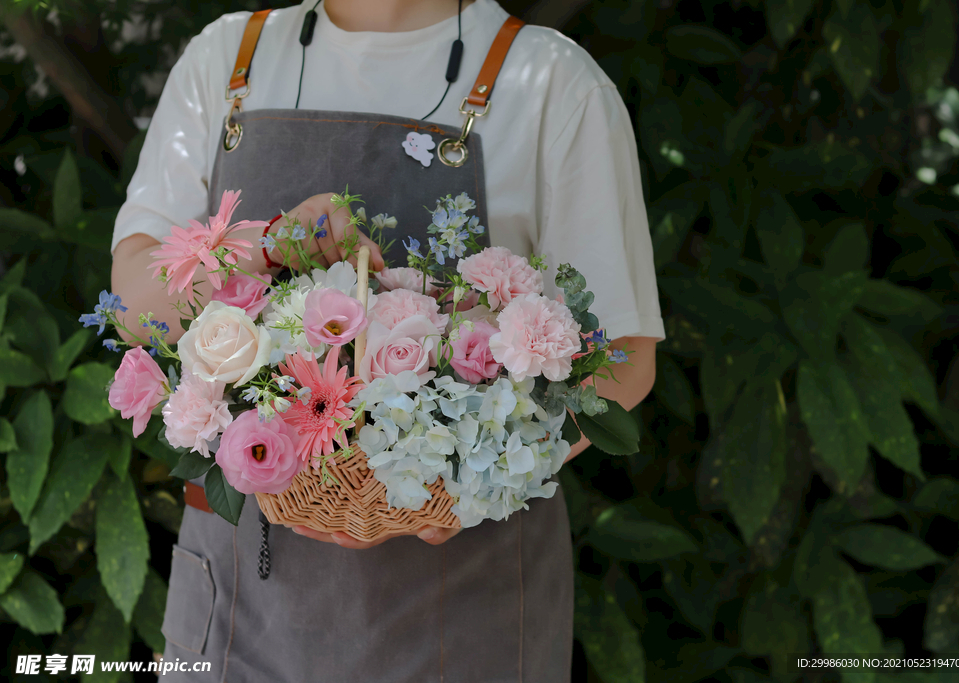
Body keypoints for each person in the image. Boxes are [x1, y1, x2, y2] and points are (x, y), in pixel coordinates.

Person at [109, 0, 664, 680]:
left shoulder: (551, 82)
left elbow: (624, 359)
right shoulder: (228, 60)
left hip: (461, 611)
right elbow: (136, 303)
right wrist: (277, 244)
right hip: (235, 606)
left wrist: (467, 489)